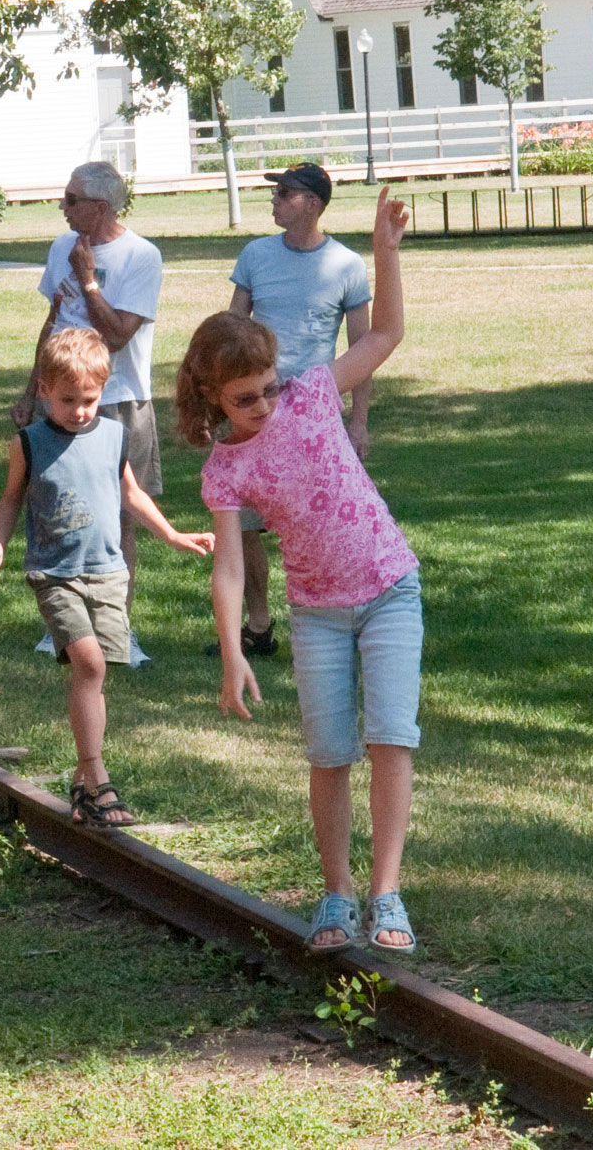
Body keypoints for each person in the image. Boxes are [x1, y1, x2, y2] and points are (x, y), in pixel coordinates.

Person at [176, 186, 423, 954]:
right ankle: (337, 896)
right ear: (211, 396)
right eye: (245, 398)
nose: (264, 406)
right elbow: (226, 572)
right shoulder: (224, 471)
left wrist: (384, 251)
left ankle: (386, 894)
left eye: (269, 387)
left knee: (390, 737)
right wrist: (229, 655)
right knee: (328, 755)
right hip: (316, 609)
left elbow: (383, 335)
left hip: (388, 589)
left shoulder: (312, 395)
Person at [0, 328, 214, 826]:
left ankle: (84, 788)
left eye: (89, 399)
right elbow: (10, 498)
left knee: (98, 674)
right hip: (55, 573)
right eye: (67, 400)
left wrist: (171, 535)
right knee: (89, 667)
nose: (80, 411)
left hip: (109, 572)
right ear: (43, 389)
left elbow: (132, 494)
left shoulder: (113, 436)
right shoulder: (29, 442)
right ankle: (98, 777)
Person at [209, 161, 373, 663]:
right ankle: (258, 627)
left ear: (313, 204)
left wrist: (359, 420)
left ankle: (334, 617)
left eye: (284, 193)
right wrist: (218, 400)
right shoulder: (256, 254)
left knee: (316, 520)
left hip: (315, 418)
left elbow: (364, 346)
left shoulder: (346, 266)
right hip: (253, 409)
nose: (274, 201)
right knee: (244, 524)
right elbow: (230, 330)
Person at [18, 161, 167, 659]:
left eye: (71, 198)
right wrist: (30, 391)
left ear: (101, 207)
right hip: (57, 400)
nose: (63, 205)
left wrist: (89, 281)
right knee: (52, 509)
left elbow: (120, 335)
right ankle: (61, 624)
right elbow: (52, 320)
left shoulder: (140, 256)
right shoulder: (62, 246)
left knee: (118, 516)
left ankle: (118, 626)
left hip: (117, 400)